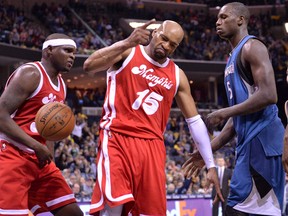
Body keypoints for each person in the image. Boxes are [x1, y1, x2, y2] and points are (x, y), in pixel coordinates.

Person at [83, 19, 224, 215]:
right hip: (117, 137)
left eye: (172, 45)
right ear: (155, 32)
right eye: (164, 38)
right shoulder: (129, 51)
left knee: (150, 211)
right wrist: (127, 42)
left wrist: (211, 165)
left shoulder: (177, 75)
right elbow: (89, 65)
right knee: (114, 207)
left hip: (153, 146)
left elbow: (194, 121)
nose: (166, 46)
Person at [182, 2, 286, 216]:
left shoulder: (253, 47)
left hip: (263, 143)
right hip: (248, 145)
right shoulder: (231, 59)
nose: (217, 22)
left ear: (240, 20)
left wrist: (224, 111)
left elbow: (269, 95)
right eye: (217, 18)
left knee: (249, 210)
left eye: (223, 17)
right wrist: (207, 151)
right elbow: (237, 120)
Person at [0, 33, 83, 216]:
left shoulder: (61, 84)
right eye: (67, 51)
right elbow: (1, 116)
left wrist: (49, 157)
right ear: (49, 50)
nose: (72, 56)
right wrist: (36, 146)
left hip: (39, 160)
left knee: (73, 213)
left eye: (74, 53)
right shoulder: (30, 73)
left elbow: (50, 130)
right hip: (11, 154)